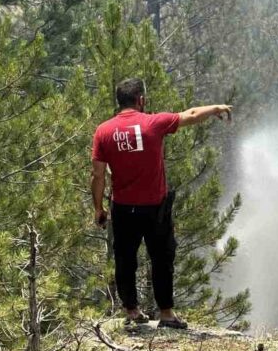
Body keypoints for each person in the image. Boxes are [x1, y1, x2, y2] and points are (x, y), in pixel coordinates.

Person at [91, 77, 232, 329]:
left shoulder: (103, 131)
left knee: (125, 260)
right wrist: (215, 108)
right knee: (162, 259)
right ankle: (166, 314)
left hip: (123, 208)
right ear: (141, 100)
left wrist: (98, 209)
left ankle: (132, 313)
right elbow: (190, 114)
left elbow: (98, 175)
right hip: (155, 208)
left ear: (119, 100)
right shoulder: (153, 122)